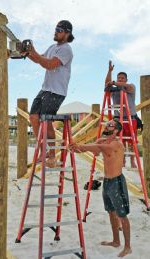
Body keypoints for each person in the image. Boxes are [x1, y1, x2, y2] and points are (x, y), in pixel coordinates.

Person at [69, 119, 132, 258]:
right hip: (107, 182)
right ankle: (116, 241)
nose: (106, 125)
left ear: (115, 130)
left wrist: (83, 145)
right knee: (111, 212)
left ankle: (128, 247)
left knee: (122, 215)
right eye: (107, 123)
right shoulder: (101, 141)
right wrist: (75, 147)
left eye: (110, 124)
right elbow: (93, 150)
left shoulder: (117, 144)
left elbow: (104, 149)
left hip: (117, 182)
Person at [24, 20, 74, 167]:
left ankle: (51, 155)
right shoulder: (52, 47)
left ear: (67, 33)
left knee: (46, 122)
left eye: (59, 29)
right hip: (45, 89)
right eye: (56, 29)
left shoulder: (66, 49)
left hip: (57, 91)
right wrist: (28, 52)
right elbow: (40, 59)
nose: (56, 31)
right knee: (33, 117)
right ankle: (43, 151)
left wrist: (34, 54)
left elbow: (50, 65)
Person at [105, 60, 137, 168]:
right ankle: (123, 161)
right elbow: (107, 84)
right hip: (118, 119)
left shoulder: (131, 87)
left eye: (122, 78)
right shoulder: (115, 90)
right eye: (119, 78)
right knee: (120, 141)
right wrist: (110, 72)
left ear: (126, 80)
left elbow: (124, 86)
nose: (120, 79)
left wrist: (114, 82)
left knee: (132, 141)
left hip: (130, 118)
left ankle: (132, 161)